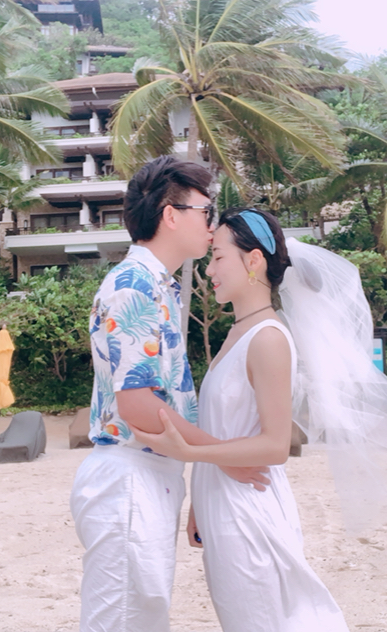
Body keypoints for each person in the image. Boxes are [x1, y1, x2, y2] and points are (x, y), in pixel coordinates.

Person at [133, 208, 387, 631]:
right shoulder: (238, 333)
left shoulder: (268, 339)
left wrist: (189, 451)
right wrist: (199, 499)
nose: (209, 270)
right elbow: (227, 427)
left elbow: (275, 445)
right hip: (224, 509)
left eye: (218, 257)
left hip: (250, 514)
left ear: (253, 260)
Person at [70, 158, 271, 632]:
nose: (212, 224)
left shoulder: (158, 285)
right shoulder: (135, 285)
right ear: (170, 215)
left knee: (140, 616)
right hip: (130, 472)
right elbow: (138, 405)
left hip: (148, 472)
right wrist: (222, 458)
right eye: (206, 211)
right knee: (124, 621)